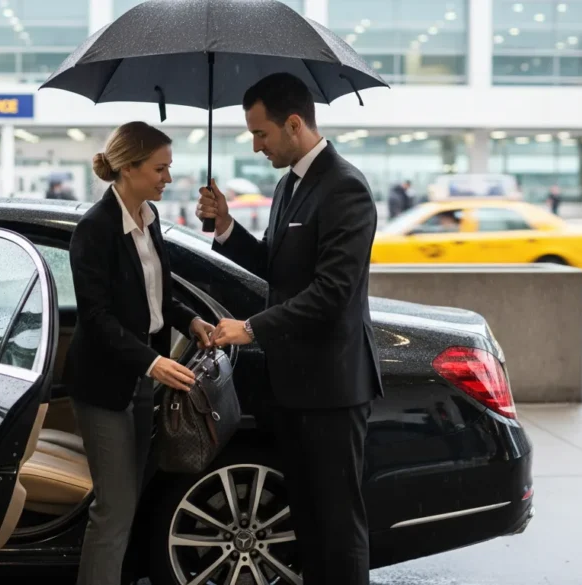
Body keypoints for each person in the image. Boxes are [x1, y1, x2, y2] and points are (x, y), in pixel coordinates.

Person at [196, 72, 384, 585]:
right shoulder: (288, 185)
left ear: (294, 124)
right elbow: (277, 269)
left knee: (338, 524)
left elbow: (331, 294)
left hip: (334, 388)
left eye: (261, 134)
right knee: (307, 518)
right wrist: (227, 227)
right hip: (293, 385)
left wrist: (249, 329)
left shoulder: (345, 187)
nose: (256, 146)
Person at [66, 121, 216, 585]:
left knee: (129, 500)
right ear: (128, 168)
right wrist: (152, 361)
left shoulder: (149, 221)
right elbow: (97, 318)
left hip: (140, 382)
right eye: (160, 168)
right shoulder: (95, 230)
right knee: (113, 507)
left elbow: (159, 297)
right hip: (105, 384)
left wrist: (190, 319)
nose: (167, 178)